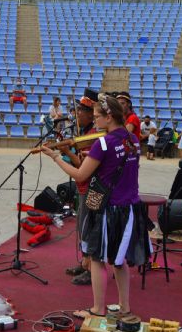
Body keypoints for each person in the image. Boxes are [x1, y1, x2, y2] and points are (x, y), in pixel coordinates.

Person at [41, 95, 150, 319]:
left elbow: (80, 174)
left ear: (109, 117)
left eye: (98, 116)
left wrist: (55, 157)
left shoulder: (103, 142)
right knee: (119, 262)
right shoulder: (133, 140)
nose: (95, 120)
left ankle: (98, 309)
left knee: (98, 260)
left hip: (107, 207)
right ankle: (124, 307)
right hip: (129, 207)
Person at [57, 89, 99, 286]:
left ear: (91, 113)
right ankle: (84, 263)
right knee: (82, 227)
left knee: (89, 228)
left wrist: (64, 152)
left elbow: (82, 166)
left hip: (91, 187)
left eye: (80, 111)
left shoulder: (93, 135)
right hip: (82, 186)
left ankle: (92, 270)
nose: (76, 115)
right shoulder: (83, 132)